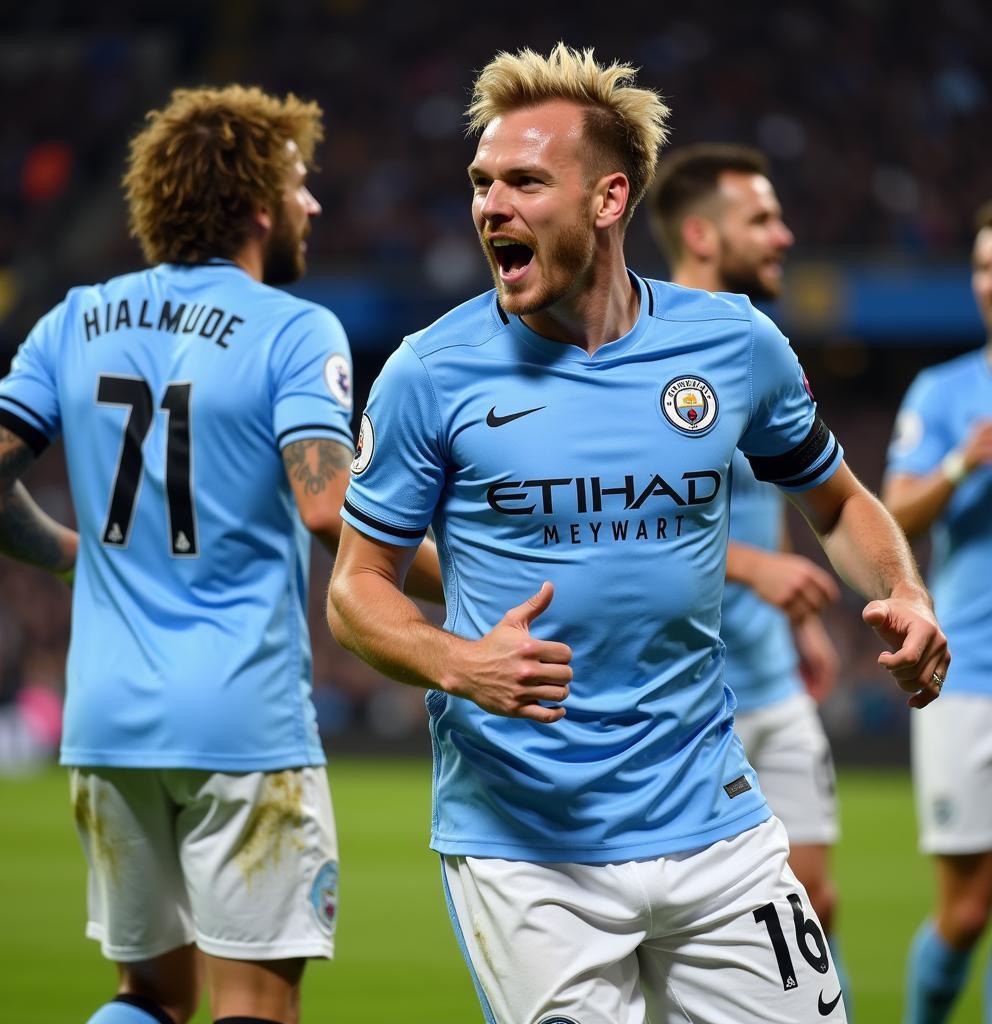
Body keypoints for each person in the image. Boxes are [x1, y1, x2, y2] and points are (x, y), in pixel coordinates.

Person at [327, 43, 947, 1024]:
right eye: (483, 182)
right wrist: (456, 662)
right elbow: (357, 586)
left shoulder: (732, 344)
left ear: (609, 199)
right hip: (525, 843)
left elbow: (836, 501)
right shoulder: (426, 374)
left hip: (714, 821)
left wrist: (903, 589)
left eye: (526, 180)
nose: (492, 206)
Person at [0, 84, 440, 1024]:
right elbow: (325, 506)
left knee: (148, 998)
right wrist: (463, 574)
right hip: (241, 722)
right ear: (260, 201)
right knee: (253, 1004)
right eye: (301, 184)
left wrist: (73, 556)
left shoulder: (75, 316)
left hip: (105, 716)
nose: (313, 205)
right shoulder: (293, 327)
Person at [648, 142, 853, 1016]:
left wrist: (797, 617)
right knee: (703, 931)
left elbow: (768, 501)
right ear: (700, 233)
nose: (783, 234)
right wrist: (757, 566)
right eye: (761, 219)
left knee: (817, 902)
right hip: (693, 695)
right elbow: (633, 525)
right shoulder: (645, 359)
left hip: (772, 678)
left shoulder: (750, 346)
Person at [884, 203, 992, 1024]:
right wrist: (963, 462)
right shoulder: (946, 392)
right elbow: (893, 516)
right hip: (971, 678)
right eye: (983, 267)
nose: (989, 283)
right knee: (966, 912)